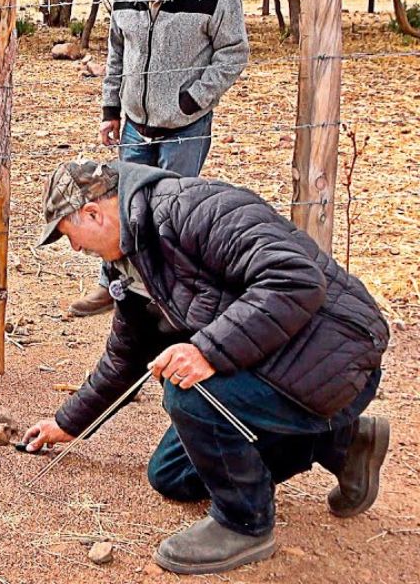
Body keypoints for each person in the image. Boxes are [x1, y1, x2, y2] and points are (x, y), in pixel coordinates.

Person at [23, 160, 390, 574]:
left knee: (189, 391)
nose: (74, 249)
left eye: (70, 236)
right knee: (172, 476)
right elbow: (126, 357)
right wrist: (67, 423)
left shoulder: (193, 209)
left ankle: (245, 523)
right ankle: (341, 442)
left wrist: (206, 351)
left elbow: (295, 280)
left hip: (339, 352)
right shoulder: (129, 260)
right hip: (282, 355)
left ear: (92, 212)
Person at [69, 0, 250, 317]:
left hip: (186, 125)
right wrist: (111, 109)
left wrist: (194, 98)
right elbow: (118, 54)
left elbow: (233, 53)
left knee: (171, 212)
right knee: (122, 205)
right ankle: (112, 285)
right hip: (135, 122)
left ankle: (168, 298)